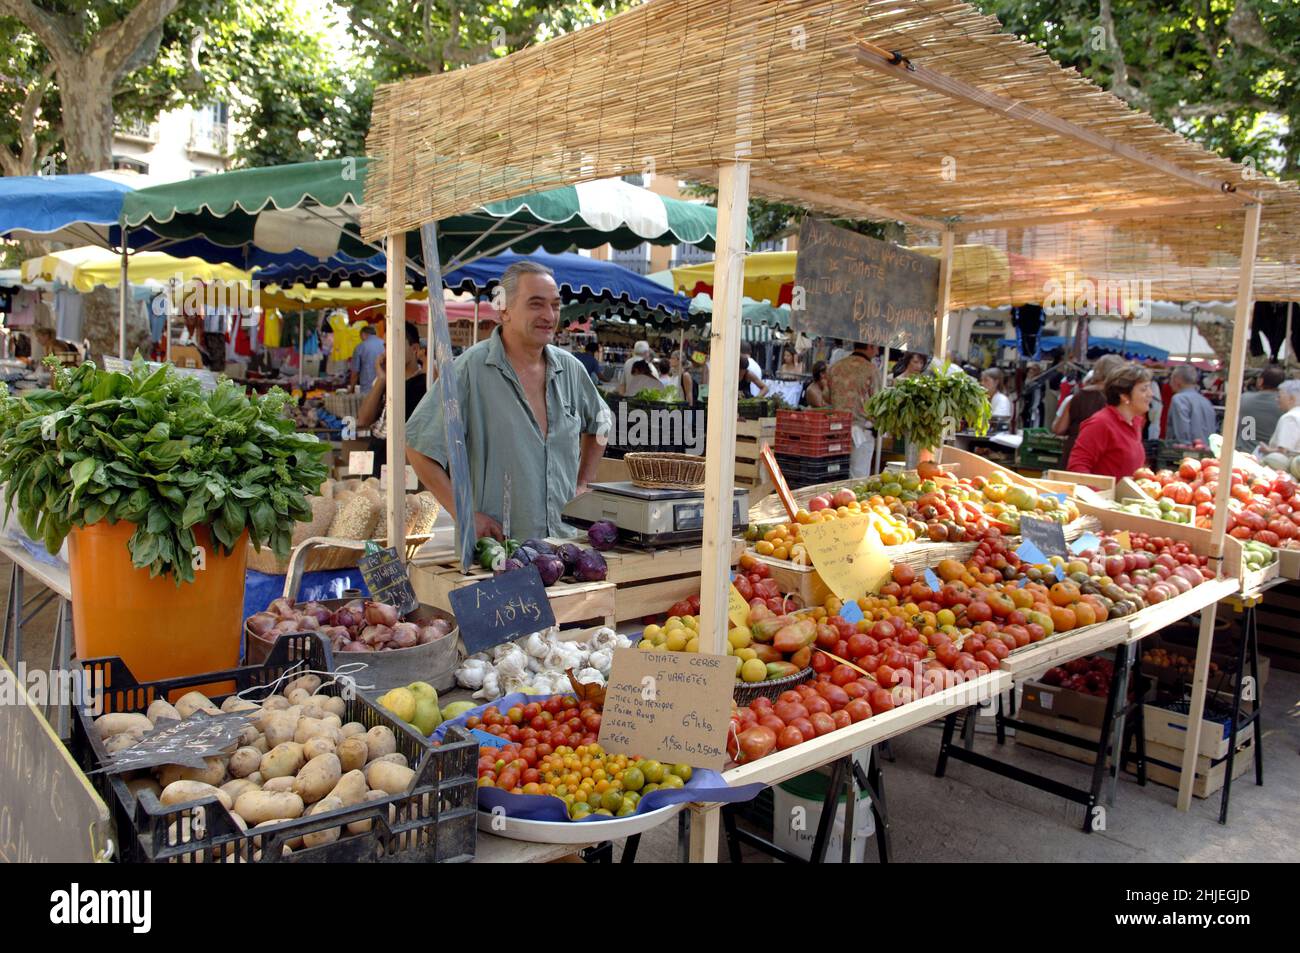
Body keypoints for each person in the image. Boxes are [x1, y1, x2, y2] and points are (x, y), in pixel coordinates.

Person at [406, 260, 607, 541]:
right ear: (504, 310)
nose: (549, 315)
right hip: (497, 553)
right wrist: (463, 513)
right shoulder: (469, 369)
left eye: (555, 305)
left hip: (565, 547)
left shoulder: (571, 369)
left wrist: (583, 483)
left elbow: (601, 424)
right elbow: (418, 448)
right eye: (536, 304)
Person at [357, 322, 427, 478]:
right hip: (376, 457)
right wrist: (381, 379)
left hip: (403, 464)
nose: (389, 351)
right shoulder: (385, 380)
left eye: (395, 344)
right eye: (387, 346)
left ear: (414, 349)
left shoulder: (425, 383)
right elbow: (363, 420)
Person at [1067, 364, 1152, 479]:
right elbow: (1077, 468)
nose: (1150, 394)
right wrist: (1099, 495)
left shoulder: (1135, 422)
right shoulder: (1100, 423)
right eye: (1144, 389)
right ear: (1124, 396)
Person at [1053, 353, 1124, 463]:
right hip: (1103, 455)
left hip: (1075, 451)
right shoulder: (1118, 399)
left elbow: (1059, 429)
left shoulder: (1077, 396)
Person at [827, 342, 879, 478]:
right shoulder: (871, 370)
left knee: (837, 475)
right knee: (858, 477)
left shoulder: (835, 368)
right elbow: (878, 401)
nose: (878, 350)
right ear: (870, 346)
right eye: (876, 347)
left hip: (836, 429)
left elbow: (826, 397)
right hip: (862, 430)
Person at [1237, 365, 1285, 450]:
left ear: (1261, 381)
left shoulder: (1244, 399)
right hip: (1271, 455)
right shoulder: (1284, 405)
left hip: (1244, 451)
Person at [1167, 364, 1217, 445]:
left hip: (1187, 452)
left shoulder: (1179, 399)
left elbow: (1182, 433)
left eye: (1171, 378)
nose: (1170, 383)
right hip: (1207, 451)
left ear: (1177, 380)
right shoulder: (1206, 401)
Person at [1265, 380, 1300, 453]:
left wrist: (1266, 450)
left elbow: (1284, 451)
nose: (1276, 399)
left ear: (1291, 398)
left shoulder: (1290, 418)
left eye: (1279, 396)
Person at [349, 324, 386, 394]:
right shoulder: (384, 344)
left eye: (361, 337)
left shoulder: (360, 347)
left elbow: (355, 373)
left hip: (367, 387)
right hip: (385, 386)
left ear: (363, 334)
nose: (361, 339)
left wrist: (351, 389)